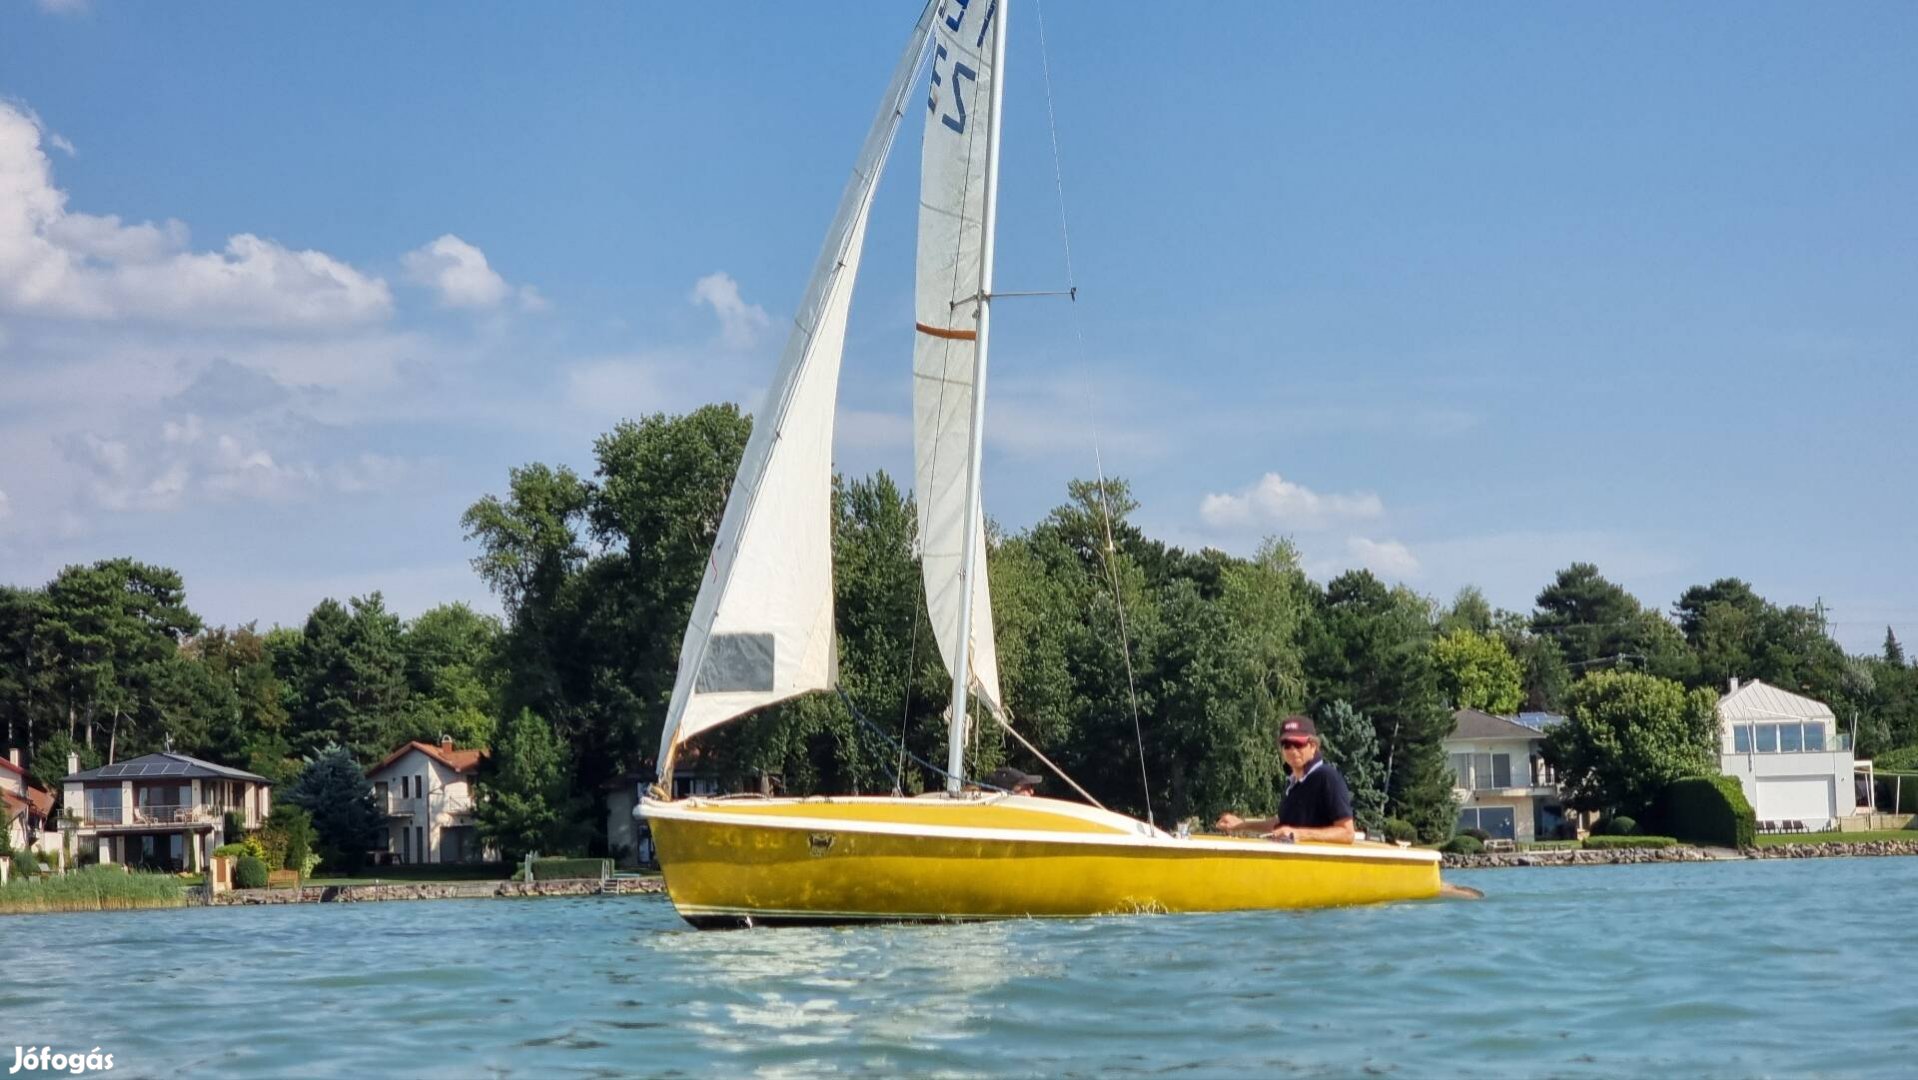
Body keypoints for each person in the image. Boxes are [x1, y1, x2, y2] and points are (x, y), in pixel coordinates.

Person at [1213, 715, 1356, 843]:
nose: (1292, 750)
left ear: (1313, 746)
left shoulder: (1327, 777)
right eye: (1286, 744)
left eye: (1298, 744)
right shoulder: (1293, 782)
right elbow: (1283, 824)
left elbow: (1347, 833)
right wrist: (1241, 825)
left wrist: (1298, 834)